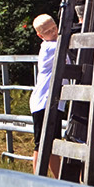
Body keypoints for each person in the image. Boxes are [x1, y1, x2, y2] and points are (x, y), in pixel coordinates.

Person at [29, 14, 61, 177]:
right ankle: (38, 179)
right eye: (48, 31)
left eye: (54, 28)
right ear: (40, 35)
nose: (53, 33)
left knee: (52, 143)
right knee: (41, 143)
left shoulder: (54, 43)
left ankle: (59, 180)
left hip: (52, 101)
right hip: (44, 101)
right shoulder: (50, 47)